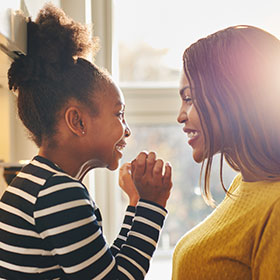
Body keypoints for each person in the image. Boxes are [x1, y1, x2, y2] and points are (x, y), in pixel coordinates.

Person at [0, 4, 172, 279]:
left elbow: (106, 268)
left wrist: (137, 203)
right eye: (119, 114)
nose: (127, 130)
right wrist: (154, 206)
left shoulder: (37, 183)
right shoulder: (59, 193)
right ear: (77, 121)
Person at [173, 25, 280, 279]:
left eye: (188, 98)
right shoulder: (242, 183)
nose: (180, 116)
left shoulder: (276, 207)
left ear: (233, 98)